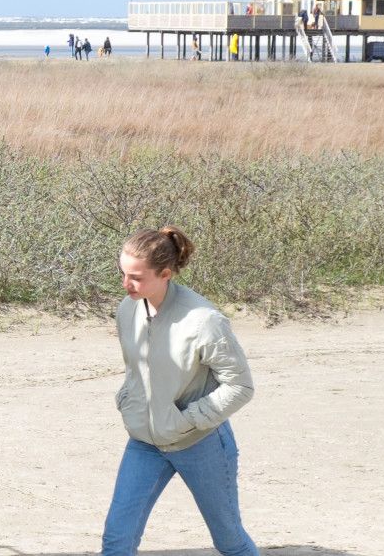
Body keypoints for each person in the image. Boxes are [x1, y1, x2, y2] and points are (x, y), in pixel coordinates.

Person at [103, 226, 257, 556]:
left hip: (200, 444)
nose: (125, 285)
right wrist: (128, 400)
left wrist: (185, 420)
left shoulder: (204, 321)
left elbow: (241, 386)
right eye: (122, 273)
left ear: (166, 274)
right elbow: (136, 369)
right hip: (145, 442)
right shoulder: (128, 308)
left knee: (230, 542)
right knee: (117, 541)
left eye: (136, 277)